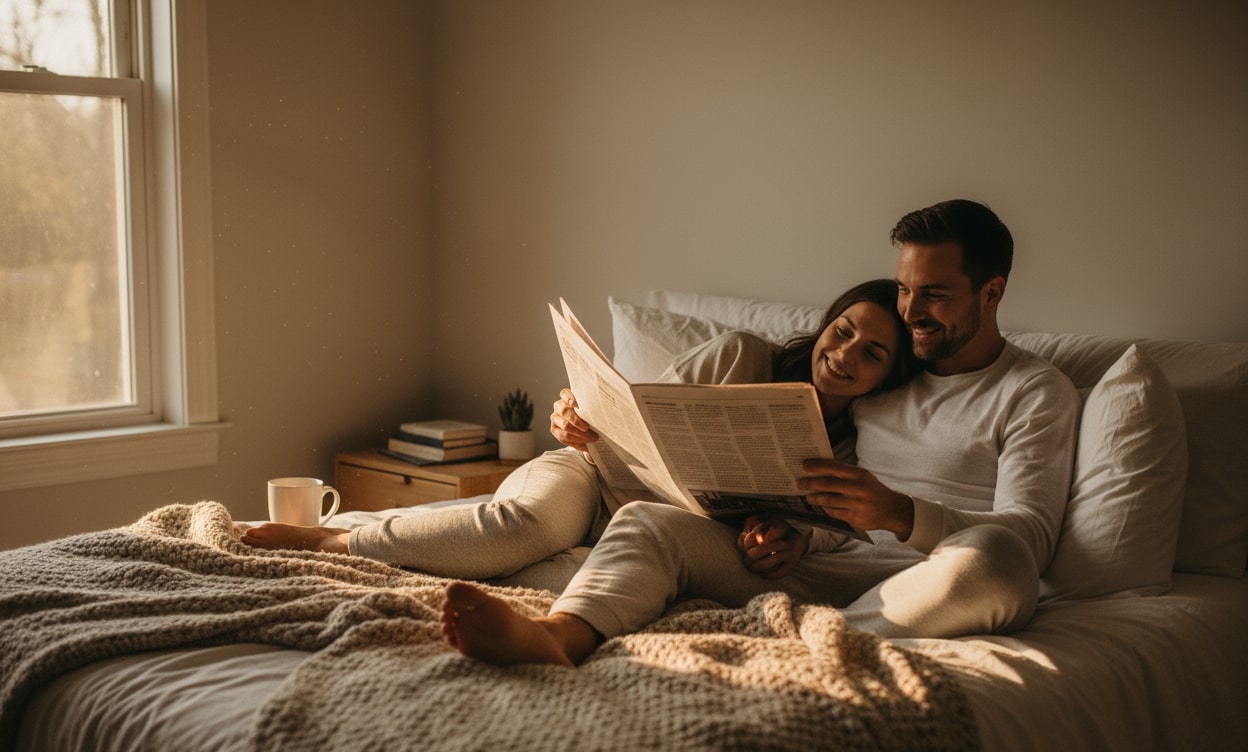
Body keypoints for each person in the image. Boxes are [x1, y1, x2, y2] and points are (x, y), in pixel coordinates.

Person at [441, 198, 1081, 667]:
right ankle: (559, 637)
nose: (911, 311)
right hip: (826, 568)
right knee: (648, 523)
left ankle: (802, 647)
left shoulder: (1034, 391)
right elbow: (820, 497)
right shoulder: (888, 377)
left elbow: (1031, 537)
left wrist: (900, 512)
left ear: (991, 292)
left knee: (999, 562)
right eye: (907, 289)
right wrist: (791, 535)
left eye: (935, 295)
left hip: (936, 577)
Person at [242, 279, 913, 594]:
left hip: (658, 531)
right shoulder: (740, 355)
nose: (847, 353)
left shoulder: (854, 453)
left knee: (576, 576)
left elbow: (830, 539)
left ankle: (446, 564)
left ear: (886, 378)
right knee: (527, 526)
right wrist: (579, 420)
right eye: (845, 328)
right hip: (590, 476)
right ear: (827, 322)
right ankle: (329, 541)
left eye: (874, 353)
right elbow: (643, 419)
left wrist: (780, 537)